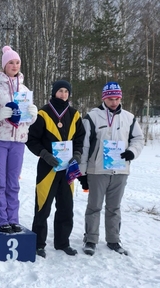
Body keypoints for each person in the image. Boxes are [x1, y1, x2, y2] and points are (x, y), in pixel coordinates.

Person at [79, 82, 144, 256]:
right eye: (110, 98)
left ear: (120, 97)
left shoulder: (129, 118)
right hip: (97, 170)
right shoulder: (92, 117)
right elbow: (85, 146)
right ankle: (91, 239)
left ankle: (113, 240)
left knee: (114, 208)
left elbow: (138, 139)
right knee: (94, 207)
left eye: (116, 98)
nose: (114, 102)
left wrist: (132, 152)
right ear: (103, 98)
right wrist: (82, 172)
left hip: (120, 171)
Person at [0, 46, 38, 233]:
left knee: (13, 183)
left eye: (17, 62)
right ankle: (1, 220)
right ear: (4, 65)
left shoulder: (25, 90)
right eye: (11, 62)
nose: (14, 65)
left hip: (18, 141)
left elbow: (27, 121)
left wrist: (33, 115)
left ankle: (13, 219)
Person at [26, 80, 85, 258]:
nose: (64, 94)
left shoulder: (75, 115)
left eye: (66, 91)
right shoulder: (43, 113)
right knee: (43, 207)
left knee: (66, 207)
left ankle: (62, 242)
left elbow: (80, 138)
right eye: (60, 91)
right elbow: (31, 139)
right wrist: (45, 154)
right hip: (48, 168)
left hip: (67, 169)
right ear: (54, 92)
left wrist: (77, 154)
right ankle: (38, 244)